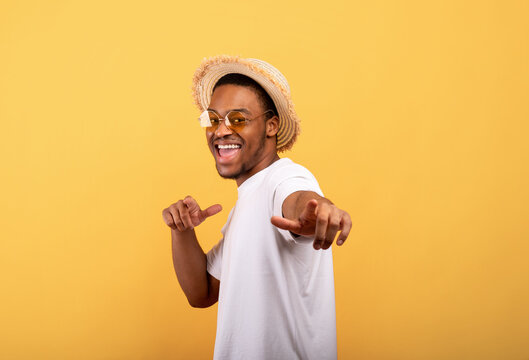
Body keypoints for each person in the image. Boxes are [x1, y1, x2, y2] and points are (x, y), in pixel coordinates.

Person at [162, 55, 352, 360]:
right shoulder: (247, 202)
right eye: (212, 119)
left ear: (271, 125)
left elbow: (298, 198)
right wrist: (181, 232)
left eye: (237, 119)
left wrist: (315, 212)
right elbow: (202, 293)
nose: (220, 131)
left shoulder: (284, 177)